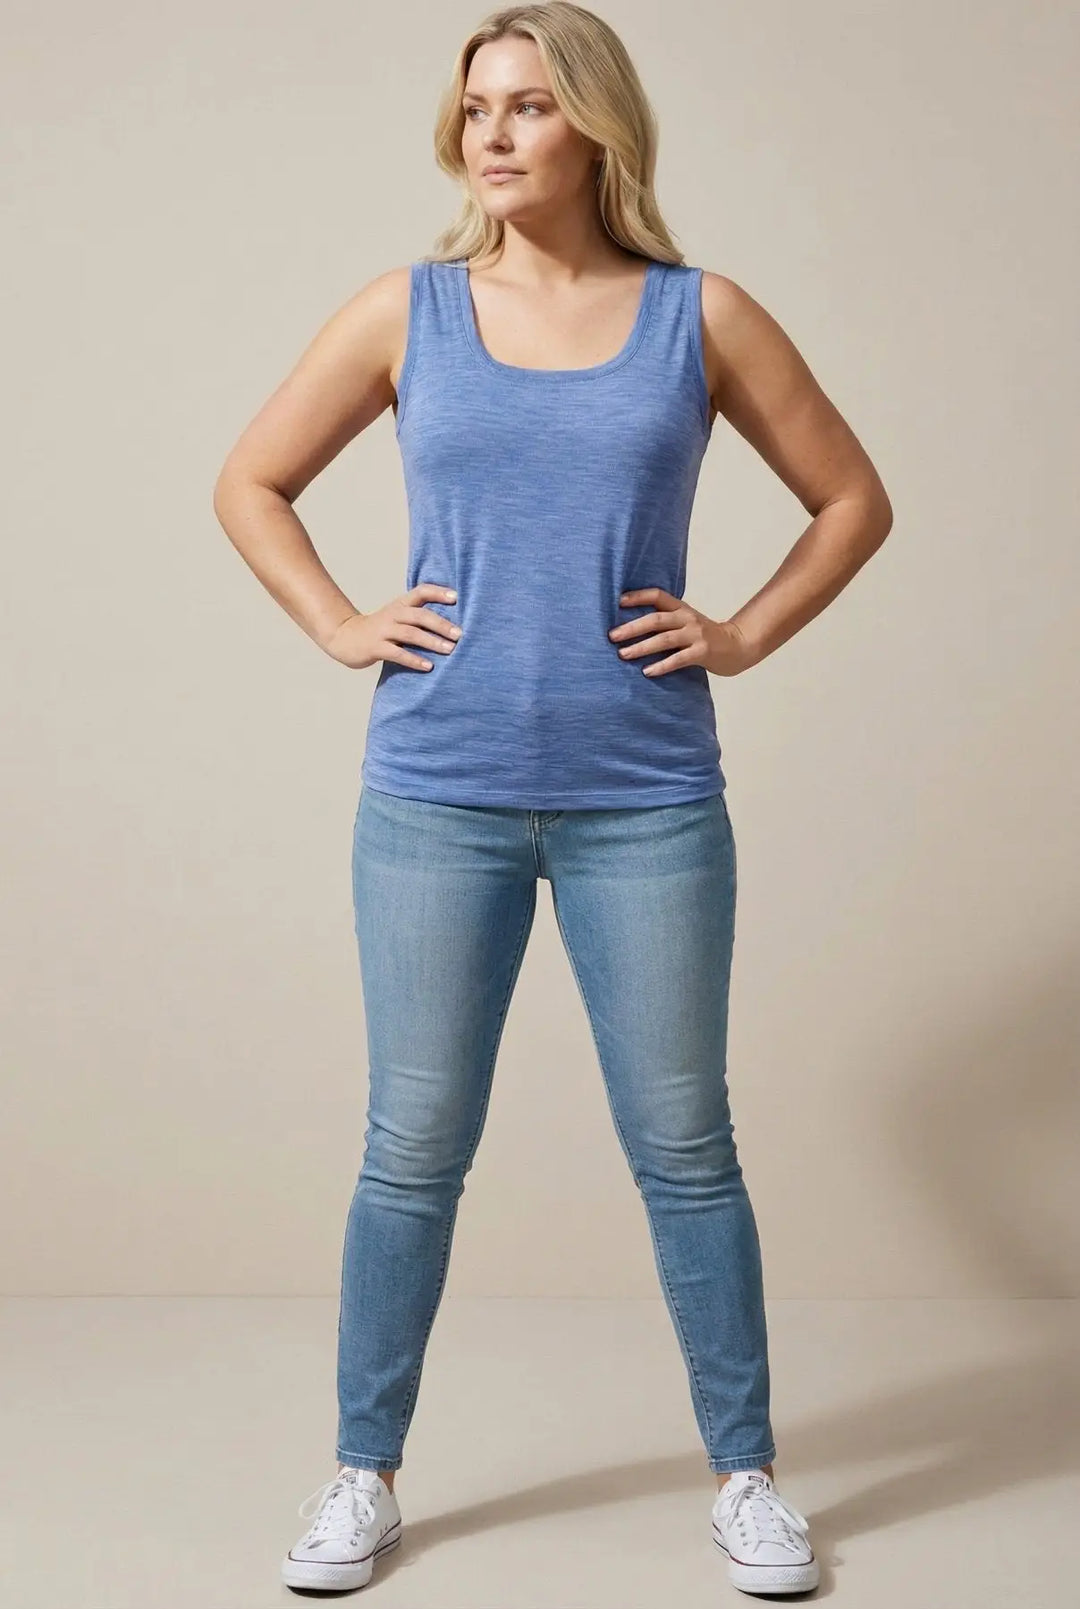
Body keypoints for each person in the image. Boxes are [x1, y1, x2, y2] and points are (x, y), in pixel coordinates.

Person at [213, 2, 892, 1597]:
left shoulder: (699, 317)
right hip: (434, 792)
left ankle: (747, 1477)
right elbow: (250, 480)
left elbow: (852, 499)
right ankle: (362, 1473)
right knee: (412, 1145)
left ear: (597, 125)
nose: (494, 135)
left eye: (527, 105)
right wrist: (340, 621)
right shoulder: (409, 311)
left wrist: (740, 633)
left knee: (685, 1142)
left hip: (645, 796)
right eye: (476, 109)